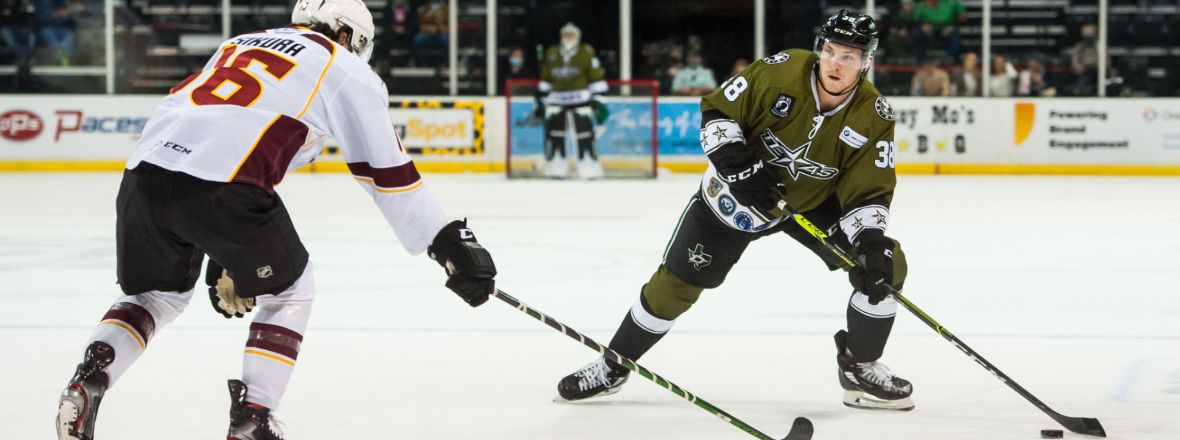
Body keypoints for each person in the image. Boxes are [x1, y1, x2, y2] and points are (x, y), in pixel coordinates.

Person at [54, 1, 498, 439]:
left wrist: (226, 251)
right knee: (290, 291)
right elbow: (384, 170)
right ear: (346, 36)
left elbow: (224, 128)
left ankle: (89, 380)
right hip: (223, 187)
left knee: (155, 296)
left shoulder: (241, 42)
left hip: (143, 177)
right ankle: (253, 418)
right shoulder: (341, 65)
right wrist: (446, 240)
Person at [556, 9, 914, 412]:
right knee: (675, 284)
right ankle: (612, 365)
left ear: (866, 62)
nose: (835, 63)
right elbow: (717, 113)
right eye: (830, 51)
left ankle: (860, 366)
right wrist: (738, 166)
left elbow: (867, 186)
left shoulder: (874, 114)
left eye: (848, 56)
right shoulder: (779, 71)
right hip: (735, 197)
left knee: (884, 267)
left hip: (808, 204)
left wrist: (869, 239)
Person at [535, 22, 608, 179]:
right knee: (555, 135)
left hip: (580, 101)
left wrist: (598, 100)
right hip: (556, 101)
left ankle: (589, 166)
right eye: (566, 35)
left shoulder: (585, 54)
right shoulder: (552, 53)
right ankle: (556, 165)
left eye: (571, 35)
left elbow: (596, 78)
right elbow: (546, 78)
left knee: (585, 135)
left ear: (577, 37)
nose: (568, 38)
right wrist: (541, 97)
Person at [411, 0, 447, 67]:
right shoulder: (426, 6)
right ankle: (422, 62)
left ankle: (445, 62)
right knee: (418, 39)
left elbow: (450, 24)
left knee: (445, 40)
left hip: (442, 32)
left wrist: (439, 29)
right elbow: (420, 23)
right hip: (428, 32)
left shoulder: (446, 7)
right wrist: (429, 27)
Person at [0, 0, 36, 65]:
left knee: (29, 36)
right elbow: (4, 20)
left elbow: (29, 15)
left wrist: (12, 13)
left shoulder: (20, 3)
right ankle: (21, 58)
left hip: (21, 27)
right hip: (7, 28)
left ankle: (26, 59)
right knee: (7, 34)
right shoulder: (2, 4)